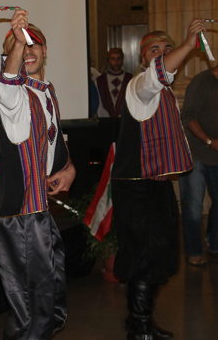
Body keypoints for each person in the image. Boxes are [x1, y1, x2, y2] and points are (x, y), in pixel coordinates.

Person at [111, 19, 205, 340]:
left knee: (159, 255)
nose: (164, 53)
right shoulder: (141, 85)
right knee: (145, 256)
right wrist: (189, 43)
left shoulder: (161, 93)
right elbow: (160, 73)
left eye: (168, 48)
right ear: (143, 59)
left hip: (153, 183)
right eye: (156, 50)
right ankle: (139, 328)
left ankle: (140, 322)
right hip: (137, 188)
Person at [0, 9, 76, 340]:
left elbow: (53, 145)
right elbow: (7, 80)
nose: (28, 51)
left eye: (33, 44)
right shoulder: (13, 93)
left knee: (50, 301)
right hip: (18, 214)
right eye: (19, 46)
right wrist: (17, 34)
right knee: (32, 307)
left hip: (37, 211)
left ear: (45, 51)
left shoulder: (46, 90)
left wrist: (68, 169)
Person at [179, 64, 218, 266]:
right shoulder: (202, 82)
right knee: (193, 206)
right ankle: (193, 251)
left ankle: (214, 244)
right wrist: (209, 141)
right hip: (195, 153)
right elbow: (188, 116)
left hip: (216, 155)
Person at [93, 48, 133, 118]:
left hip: (124, 120)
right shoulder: (100, 81)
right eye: (113, 59)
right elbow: (98, 103)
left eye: (118, 59)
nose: (116, 62)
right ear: (109, 60)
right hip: (105, 121)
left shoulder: (130, 79)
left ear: (122, 60)